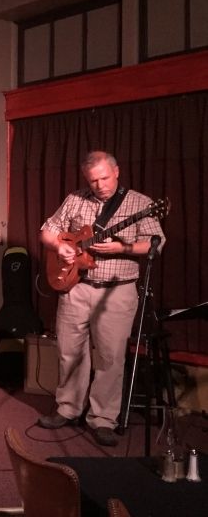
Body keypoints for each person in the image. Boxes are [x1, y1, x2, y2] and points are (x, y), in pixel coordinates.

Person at [37, 151, 165, 447]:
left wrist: (123, 248)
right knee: (69, 351)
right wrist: (59, 247)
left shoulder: (140, 203)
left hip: (116, 289)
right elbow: (47, 231)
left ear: (116, 172)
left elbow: (156, 245)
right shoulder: (75, 199)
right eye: (93, 180)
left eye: (104, 178)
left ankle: (103, 418)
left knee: (110, 357)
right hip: (76, 287)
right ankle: (68, 408)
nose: (99, 185)